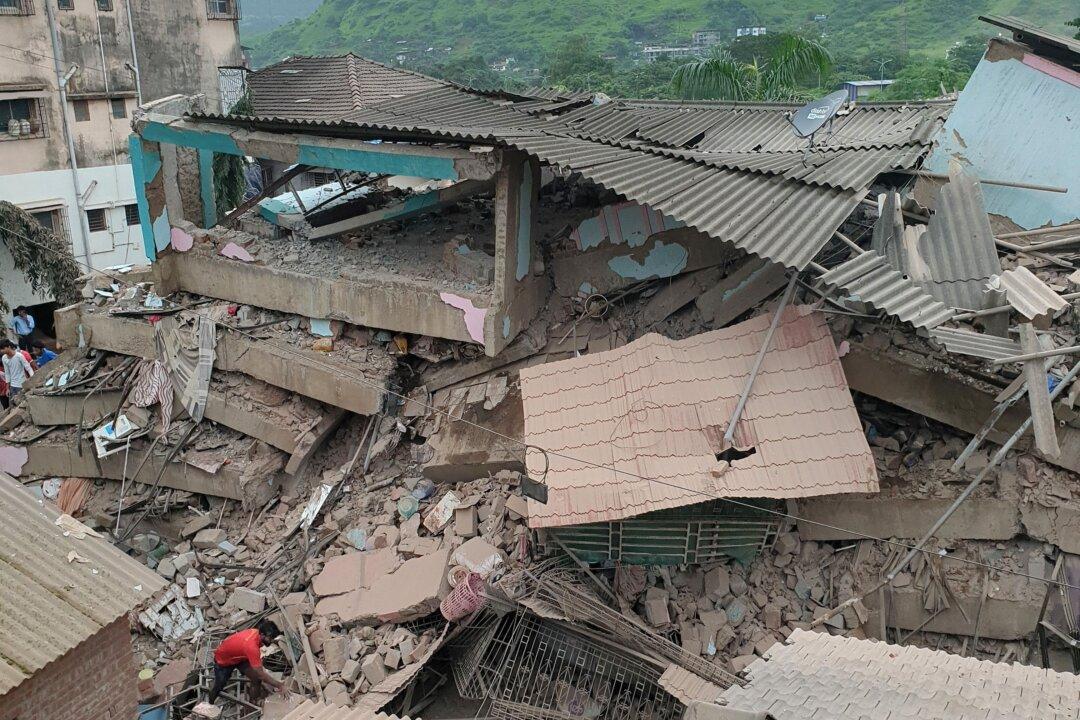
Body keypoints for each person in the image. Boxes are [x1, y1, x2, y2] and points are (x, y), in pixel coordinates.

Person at [207, 620, 287, 705]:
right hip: (223, 661)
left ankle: (254, 701)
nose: (271, 641)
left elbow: (259, 674)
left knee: (256, 678)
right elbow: (261, 674)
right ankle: (209, 704)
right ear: (262, 635)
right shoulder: (252, 647)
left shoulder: (256, 632)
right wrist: (280, 685)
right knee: (219, 686)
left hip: (240, 656)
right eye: (270, 638)